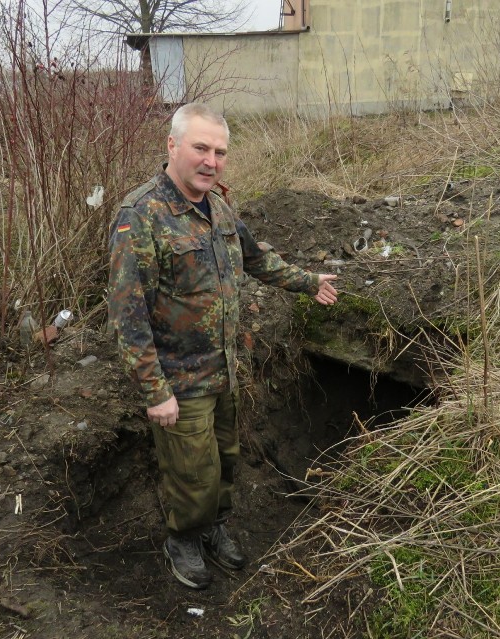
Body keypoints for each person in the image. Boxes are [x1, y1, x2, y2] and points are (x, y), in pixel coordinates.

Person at [107, 103, 338, 590]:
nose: (212, 161)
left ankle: (213, 527)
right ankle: (183, 539)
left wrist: (307, 281)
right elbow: (128, 314)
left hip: (223, 370)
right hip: (179, 378)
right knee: (191, 471)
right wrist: (154, 390)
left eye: (220, 151)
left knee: (223, 460)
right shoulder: (142, 214)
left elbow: (256, 258)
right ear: (172, 146)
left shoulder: (219, 206)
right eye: (201, 148)